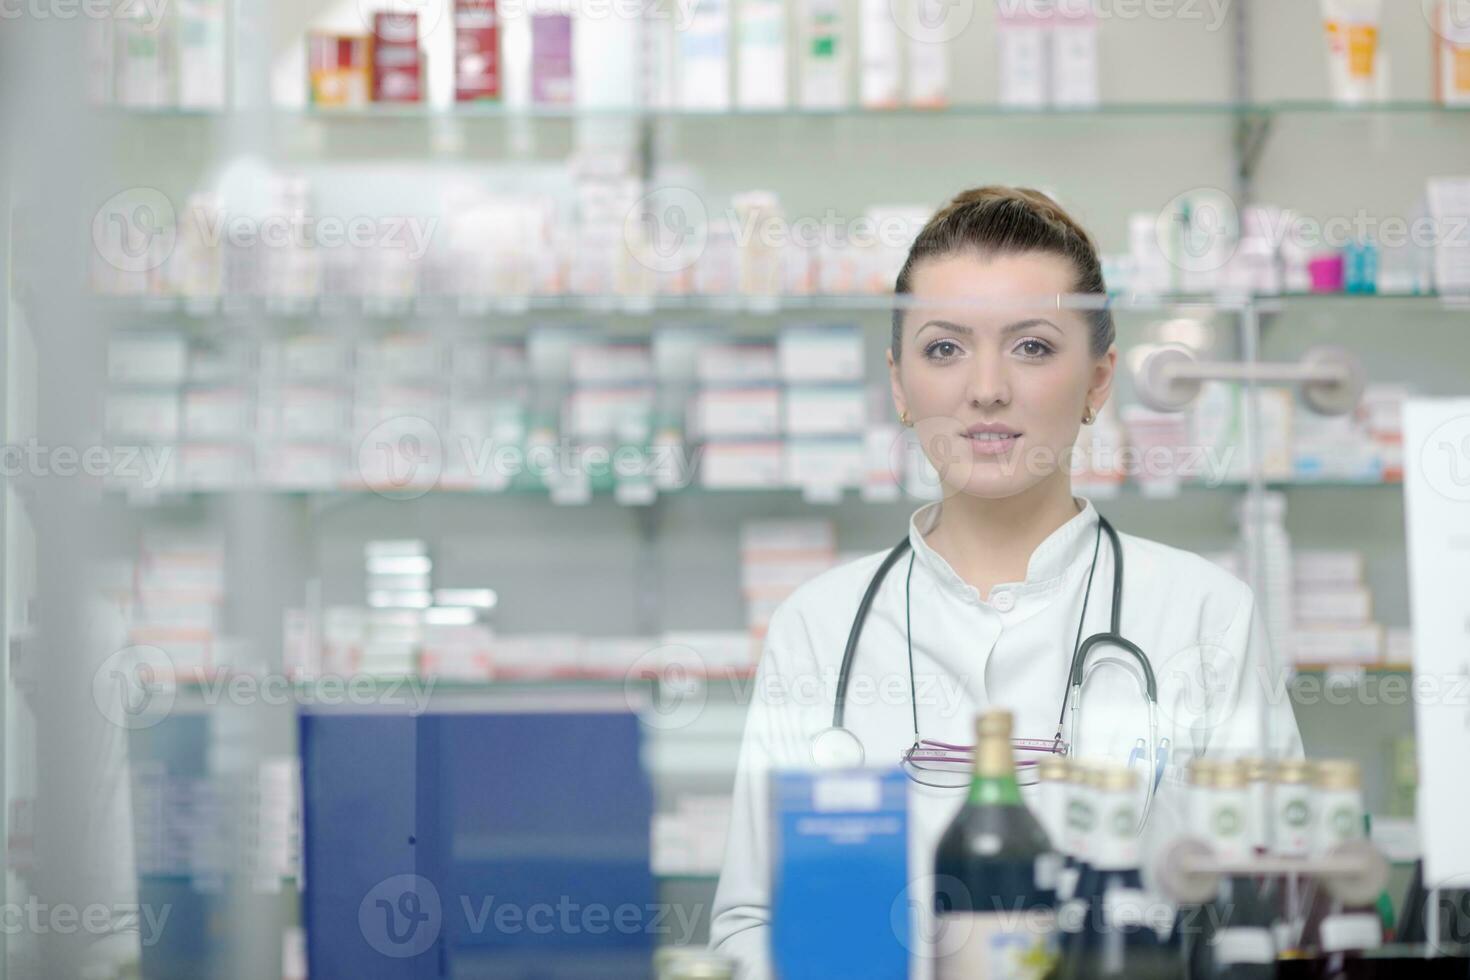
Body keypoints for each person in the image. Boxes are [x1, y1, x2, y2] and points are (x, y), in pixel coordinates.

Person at [707, 186, 1304, 978]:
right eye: (945, 349)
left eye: (1031, 347)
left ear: (1098, 382)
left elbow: (1278, 905)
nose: (985, 388)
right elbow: (750, 919)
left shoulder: (1203, 615)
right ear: (897, 383)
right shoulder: (819, 627)